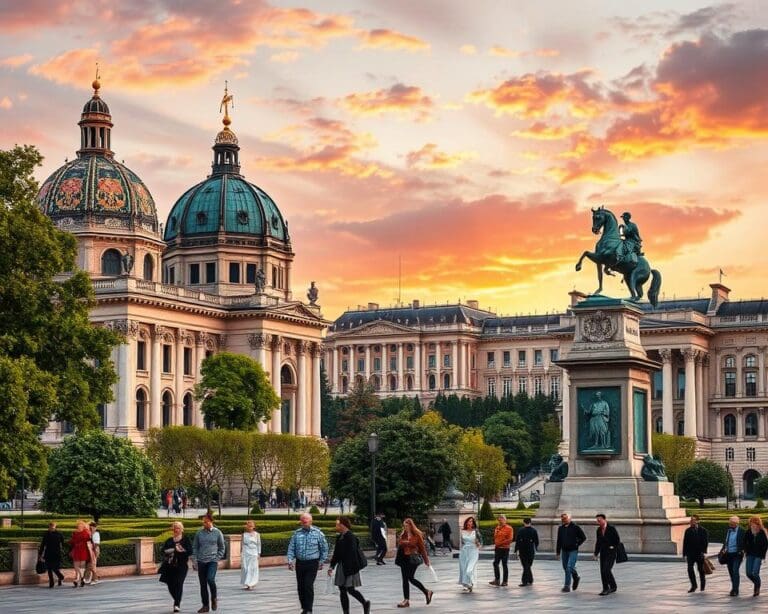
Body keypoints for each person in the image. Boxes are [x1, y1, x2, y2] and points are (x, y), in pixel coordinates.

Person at [287, 512, 329, 614]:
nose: (304, 521)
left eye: (306, 520)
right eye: (302, 520)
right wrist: (290, 560)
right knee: (300, 586)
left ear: (311, 521)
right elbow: (291, 547)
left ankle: (309, 609)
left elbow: (324, 548)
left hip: (312, 563)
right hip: (300, 563)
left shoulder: (318, 533)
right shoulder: (297, 534)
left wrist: (321, 561)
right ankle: (304, 607)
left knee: (308, 585)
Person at [328, 516, 371, 614]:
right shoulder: (339, 537)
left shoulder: (351, 537)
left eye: (337, 524)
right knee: (342, 590)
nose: (336, 526)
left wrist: (348, 571)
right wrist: (331, 566)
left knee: (350, 589)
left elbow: (352, 555)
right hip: (342, 566)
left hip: (351, 567)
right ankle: (346, 612)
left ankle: (365, 603)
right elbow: (336, 554)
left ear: (342, 525)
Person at [395, 517, 433, 608]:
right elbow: (399, 543)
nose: (405, 527)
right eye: (404, 526)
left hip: (413, 558)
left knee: (410, 578)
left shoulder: (417, 535)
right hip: (403, 558)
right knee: (405, 579)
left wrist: (426, 560)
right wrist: (404, 542)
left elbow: (422, 549)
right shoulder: (403, 534)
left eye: (407, 526)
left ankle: (426, 591)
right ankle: (406, 600)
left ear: (411, 526)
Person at [192, 513, 226, 613]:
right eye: (203, 522)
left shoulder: (217, 532)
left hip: (212, 561)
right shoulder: (199, 533)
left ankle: (214, 598)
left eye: (206, 522)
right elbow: (195, 547)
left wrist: (217, 558)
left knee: (210, 579)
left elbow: (222, 547)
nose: (204, 524)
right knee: (203, 584)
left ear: (211, 521)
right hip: (201, 561)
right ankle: (205, 605)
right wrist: (195, 560)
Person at [161, 521, 192, 613]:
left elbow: (190, 551)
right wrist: (173, 550)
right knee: (170, 584)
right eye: (174, 528)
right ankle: (177, 598)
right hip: (170, 566)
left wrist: (182, 550)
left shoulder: (185, 539)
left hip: (181, 566)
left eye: (178, 528)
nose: (176, 530)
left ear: (182, 529)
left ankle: (177, 604)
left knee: (179, 583)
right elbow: (163, 550)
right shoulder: (169, 540)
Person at [556, 512, 586, 593]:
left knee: (569, 567)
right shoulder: (560, 528)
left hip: (573, 550)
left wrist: (576, 544)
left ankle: (567, 586)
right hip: (564, 551)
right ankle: (576, 577)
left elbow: (583, 537)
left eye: (565, 518)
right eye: (562, 518)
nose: (564, 520)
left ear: (570, 518)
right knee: (565, 568)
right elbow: (559, 540)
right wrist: (558, 552)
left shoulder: (575, 527)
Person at [593, 514, 621, 595]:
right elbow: (598, 542)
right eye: (597, 521)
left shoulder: (611, 528)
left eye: (600, 520)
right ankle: (605, 588)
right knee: (602, 571)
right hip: (603, 553)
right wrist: (595, 553)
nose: (598, 522)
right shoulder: (598, 530)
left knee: (606, 569)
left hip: (611, 553)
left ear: (604, 520)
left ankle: (612, 586)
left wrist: (613, 547)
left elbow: (617, 540)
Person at [682, 514, 709, 593]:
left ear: (697, 521)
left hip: (699, 553)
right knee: (690, 569)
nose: (691, 521)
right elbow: (685, 543)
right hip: (690, 554)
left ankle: (702, 585)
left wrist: (703, 552)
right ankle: (694, 585)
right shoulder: (688, 531)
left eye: (693, 520)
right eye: (691, 520)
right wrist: (684, 554)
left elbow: (705, 542)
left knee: (701, 570)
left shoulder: (703, 530)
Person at [745, 515, 768, 596]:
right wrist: (746, 550)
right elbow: (744, 542)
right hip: (750, 555)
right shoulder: (748, 532)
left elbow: (765, 545)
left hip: (758, 555)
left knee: (755, 572)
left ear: (758, 523)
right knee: (748, 573)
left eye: (754, 523)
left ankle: (757, 588)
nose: (753, 524)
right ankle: (757, 583)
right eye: (751, 523)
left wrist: (762, 555)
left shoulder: (762, 532)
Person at [723, 515, 746, 596]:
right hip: (729, 554)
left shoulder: (742, 531)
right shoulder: (728, 530)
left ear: (736, 523)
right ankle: (734, 587)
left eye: (731, 523)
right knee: (731, 572)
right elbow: (726, 541)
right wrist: (723, 549)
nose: (730, 524)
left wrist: (743, 550)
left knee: (735, 571)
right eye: (729, 523)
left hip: (737, 554)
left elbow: (745, 542)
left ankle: (735, 590)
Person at [38, 521, 65, 588]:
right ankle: (51, 582)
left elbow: (63, 543)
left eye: (53, 527)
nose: (51, 528)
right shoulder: (46, 534)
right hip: (49, 553)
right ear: (49, 527)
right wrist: (40, 554)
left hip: (56, 553)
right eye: (51, 527)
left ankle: (60, 577)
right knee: (49, 568)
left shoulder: (59, 534)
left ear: (55, 527)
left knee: (55, 568)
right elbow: (43, 544)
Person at [458, 516, 481, 592]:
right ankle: (467, 584)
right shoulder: (462, 531)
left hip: (473, 551)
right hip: (464, 552)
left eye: (471, 521)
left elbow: (481, 542)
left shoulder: (476, 531)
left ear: (473, 523)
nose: (470, 523)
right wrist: (460, 551)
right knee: (464, 568)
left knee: (470, 569)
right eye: (469, 521)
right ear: (466, 522)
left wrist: (478, 544)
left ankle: (471, 582)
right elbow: (461, 543)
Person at [489, 514, 513, 587]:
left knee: (504, 564)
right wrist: (496, 544)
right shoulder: (497, 527)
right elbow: (495, 537)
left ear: (505, 520)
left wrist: (499, 543)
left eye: (502, 519)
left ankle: (505, 581)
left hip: (505, 549)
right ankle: (497, 580)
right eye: (499, 520)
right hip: (498, 549)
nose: (500, 521)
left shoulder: (509, 528)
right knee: (495, 563)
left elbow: (510, 539)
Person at [514, 517, 539, 587]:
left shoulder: (520, 530)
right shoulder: (534, 530)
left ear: (523, 522)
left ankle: (525, 581)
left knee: (525, 566)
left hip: (522, 550)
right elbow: (536, 541)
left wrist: (516, 550)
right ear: (530, 522)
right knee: (528, 566)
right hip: (530, 550)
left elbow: (517, 541)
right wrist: (536, 548)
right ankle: (530, 579)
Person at [69, 520, 92, 588]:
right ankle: (81, 578)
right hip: (81, 550)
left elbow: (72, 541)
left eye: (79, 525)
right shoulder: (86, 533)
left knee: (78, 566)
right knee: (79, 566)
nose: (79, 526)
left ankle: (77, 579)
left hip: (80, 550)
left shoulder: (77, 533)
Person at [241, 520, 261, 590]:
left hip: (254, 553)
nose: (250, 528)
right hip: (246, 553)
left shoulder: (257, 534)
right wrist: (241, 553)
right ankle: (247, 583)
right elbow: (242, 545)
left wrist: (259, 553)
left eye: (251, 526)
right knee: (246, 568)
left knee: (252, 569)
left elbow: (259, 544)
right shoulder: (244, 534)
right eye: (248, 526)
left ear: (253, 527)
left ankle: (251, 583)